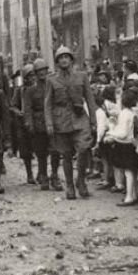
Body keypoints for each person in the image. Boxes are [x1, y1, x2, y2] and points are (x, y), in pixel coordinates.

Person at [44, 46, 97, 200]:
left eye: (67, 57)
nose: (64, 60)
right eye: (61, 58)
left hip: (80, 118)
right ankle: (69, 185)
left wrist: (93, 121)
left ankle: (80, 180)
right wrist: (49, 124)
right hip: (61, 120)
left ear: (72, 60)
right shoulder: (51, 79)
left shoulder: (82, 76)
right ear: (57, 62)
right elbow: (48, 103)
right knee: (66, 154)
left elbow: (90, 100)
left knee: (83, 149)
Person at [23, 58, 60, 191]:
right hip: (38, 123)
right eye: (38, 71)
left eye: (43, 70)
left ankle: (54, 175)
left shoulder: (54, 85)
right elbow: (27, 109)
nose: (41, 73)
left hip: (54, 122)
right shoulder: (31, 90)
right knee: (41, 152)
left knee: (55, 150)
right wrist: (30, 124)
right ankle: (43, 176)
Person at [105, 88, 138, 206]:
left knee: (128, 172)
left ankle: (129, 196)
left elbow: (123, 134)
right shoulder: (131, 112)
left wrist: (111, 132)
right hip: (130, 144)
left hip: (125, 145)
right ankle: (133, 194)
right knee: (131, 172)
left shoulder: (124, 114)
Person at [11, 64, 35, 184]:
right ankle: (29, 174)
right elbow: (13, 105)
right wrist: (18, 112)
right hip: (23, 124)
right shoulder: (19, 90)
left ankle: (42, 173)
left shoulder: (40, 88)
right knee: (25, 151)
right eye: (30, 76)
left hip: (37, 122)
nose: (32, 78)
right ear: (25, 78)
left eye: (33, 75)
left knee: (40, 148)